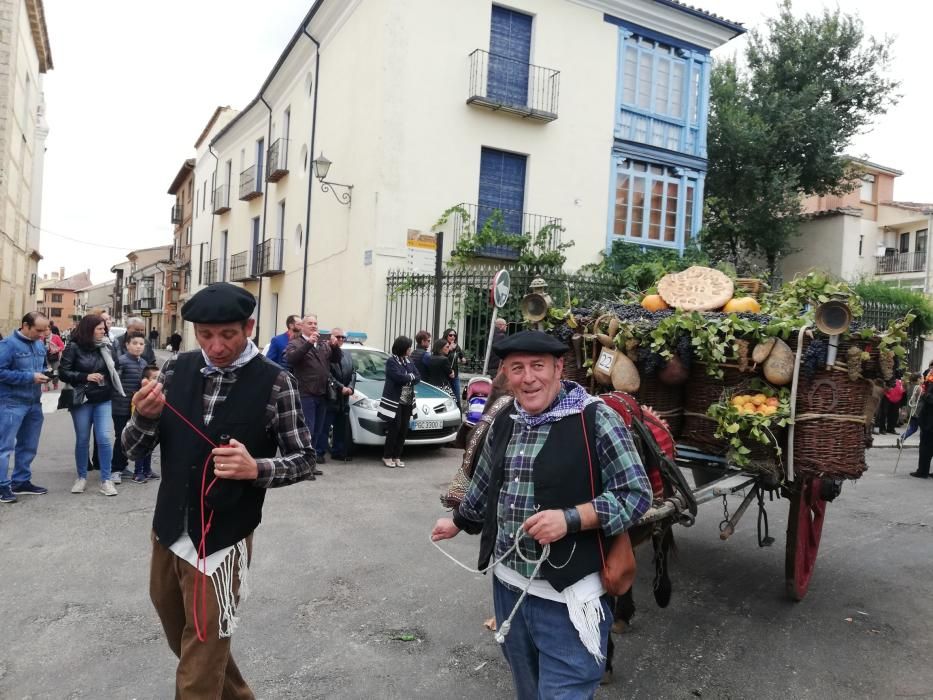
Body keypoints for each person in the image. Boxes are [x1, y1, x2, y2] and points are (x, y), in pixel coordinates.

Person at [431, 330, 652, 698]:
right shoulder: (505, 419)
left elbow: (636, 494)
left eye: (538, 366)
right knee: (528, 690)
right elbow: (484, 484)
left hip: (569, 601)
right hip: (509, 590)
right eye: (517, 368)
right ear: (505, 373)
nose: (528, 377)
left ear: (559, 368)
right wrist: (457, 522)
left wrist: (571, 518)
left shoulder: (596, 420)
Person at [121, 281, 316, 698]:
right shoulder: (176, 370)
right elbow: (133, 448)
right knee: (183, 639)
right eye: (205, 335)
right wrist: (143, 417)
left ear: (248, 327)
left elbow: (304, 459)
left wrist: (255, 468)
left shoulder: (276, 382)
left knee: (201, 655)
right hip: (168, 530)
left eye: (227, 334)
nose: (216, 345)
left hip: (224, 540)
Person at [59, 314, 124, 496]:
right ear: (89, 329)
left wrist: (111, 378)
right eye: (100, 329)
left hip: (103, 398)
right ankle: (81, 477)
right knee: (82, 440)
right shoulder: (73, 347)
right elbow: (63, 372)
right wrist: (85, 376)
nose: (104, 332)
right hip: (82, 399)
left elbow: (117, 366)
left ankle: (106, 480)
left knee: (104, 438)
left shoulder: (107, 346)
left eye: (105, 329)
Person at [0, 312, 51, 503]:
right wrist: (30, 377)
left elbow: (40, 367)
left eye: (45, 329)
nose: (42, 334)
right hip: (11, 402)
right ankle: (2, 486)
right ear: (25, 326)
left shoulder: (39, 344)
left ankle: (20, 481)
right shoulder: (8, 345)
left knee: (29, 445)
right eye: (38, 330)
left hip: (33, 402)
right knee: (4, 447)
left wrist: (46, 375)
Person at [285, 314, 339, 472]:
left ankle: (310, 464)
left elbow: (335, 360)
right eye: (310, 323)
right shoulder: (295, 343)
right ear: (301, 326)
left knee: (318, 431)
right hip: (306, 393)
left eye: (316, 323)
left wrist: (335, 347)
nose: (314, 326)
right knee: (307, 430)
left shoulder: (322, 344)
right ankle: (303, 466)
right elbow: (291, 359)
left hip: (322, 393)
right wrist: (309, 343)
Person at [111, 333, 156, 484]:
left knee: (134, 438)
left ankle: (132, 468)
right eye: (135, 343)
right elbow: (114, 384)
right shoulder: (121, 361)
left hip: (136, 408)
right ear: (127, 345)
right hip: (120, 407)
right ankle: (116, 469)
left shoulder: (143, 363)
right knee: (120, 438)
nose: (138, 346)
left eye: (141, 344)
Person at [378, 336, 420, 468]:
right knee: (394, 428)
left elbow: (418, 377)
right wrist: (410, 377)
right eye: (408, 347)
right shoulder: (391, 361)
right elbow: (398, 377)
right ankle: (387, 456)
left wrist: (409, 377)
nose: (410, 349)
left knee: (403, 428)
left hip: (407, 399)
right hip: (394, 400)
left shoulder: (409, 361)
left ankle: (397, 456)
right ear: (403, 348)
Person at [325, 328, 356, 461]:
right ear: (331, 338)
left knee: (341, 426)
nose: (341, 339)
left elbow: (354, 372)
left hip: (345, 397)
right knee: (325, 427)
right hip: (331, 396)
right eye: (338, 337)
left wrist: (350, 387)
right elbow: (327, 374)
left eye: (343, 337)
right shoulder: (326, 352)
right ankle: (319, 453)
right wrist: (340, 387)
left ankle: (339, 451)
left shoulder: (347, 354)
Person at [898, 372, 924, 448]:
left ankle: (903, 437)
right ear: (918, 379)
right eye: (922, 378)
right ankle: (922, 443)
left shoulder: (910, 386)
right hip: (918, 411)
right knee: (923, 428)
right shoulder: (918, 388)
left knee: (913, 428)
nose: (923, 379)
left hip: (911, 410)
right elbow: (923, 397)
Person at [443, 328, 466, 402]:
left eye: (454, 335)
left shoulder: (456, 346)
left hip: (454, 374)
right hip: (445, 375)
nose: (453, 337)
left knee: (456, 396)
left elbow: (462, 357)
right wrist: (449, 349)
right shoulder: (442, 344)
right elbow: (440, 357)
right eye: (450, 335)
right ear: (446, 335)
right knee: (446, 396)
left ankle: (458, 411)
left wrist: (463, 359)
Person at [45, 326, 65, 391]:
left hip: (54, 357)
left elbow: (62, 346)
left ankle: (55, 383)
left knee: (55, 372)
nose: (45, 331)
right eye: (44, 330)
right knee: (46, 371)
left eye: (47, 330)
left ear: (50, 331)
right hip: (45, 357)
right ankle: (46, 385)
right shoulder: (41, 337)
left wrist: (56, 350)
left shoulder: (56, 337)